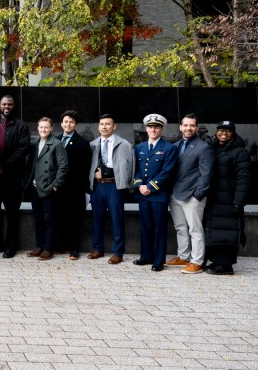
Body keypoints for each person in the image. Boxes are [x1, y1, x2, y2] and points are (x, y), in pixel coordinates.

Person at [0, 95, 30, 258]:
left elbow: (22, 149)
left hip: (12, 176)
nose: (7, 106)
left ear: (13, 106)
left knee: (12, 213)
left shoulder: (21, 126)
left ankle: (11, 247)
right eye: (4, 104)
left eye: (10, 104)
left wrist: (3, 165)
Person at [165, 114, 213, 273]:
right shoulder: (176, 145)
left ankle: (197, 261)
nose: (188, 128)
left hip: (193, 195)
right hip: (175, 194)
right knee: (180, 227)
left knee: (195, 229)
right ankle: (183, 256)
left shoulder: (203, 147)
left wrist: (198, 195)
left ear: (197, 128)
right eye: (185, 125)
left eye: (192, 125)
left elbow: (206, 175)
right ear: (180, 127)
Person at [203, 121, 251, 275]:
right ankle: (217, 262)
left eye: (228, 131)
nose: (224, 133)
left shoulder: (240, 152)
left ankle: (226, 265)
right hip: (214, 198)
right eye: (221, 130)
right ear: (216, 132)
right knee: (215, 230)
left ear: (233, 133)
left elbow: (244, 179)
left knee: (228, 231)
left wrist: (239, 201)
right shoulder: (213, 148)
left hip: (229, 199)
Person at [131, 114, 178, 272]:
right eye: (150, 127)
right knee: (145, 226)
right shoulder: (139, 147)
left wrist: (150, 187)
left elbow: (167, 171)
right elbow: (135, 170)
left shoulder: (169, 148)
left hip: (158, 195)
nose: (153, 129)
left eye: (156, 127)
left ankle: (158, 261)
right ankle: (146, 256)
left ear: (162, 128)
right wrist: (139, 185)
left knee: (159, 228)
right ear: (146, 129)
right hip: (142, 194)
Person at [87, 114, 134, 264]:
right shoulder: (92, 144)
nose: (104, 127)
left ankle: (117, 252)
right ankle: (97, 248)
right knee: (97, 218)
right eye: (102, 124)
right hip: (97, 186)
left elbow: (130, 167)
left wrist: (129, 185)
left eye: (108, 124)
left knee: (117, 219)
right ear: (98, 126)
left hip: (114, 185)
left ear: (114, 126)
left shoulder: (124, 144)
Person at [24, 117, 68, 261]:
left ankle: (48, 249)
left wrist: (55, 185)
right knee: (38, 218)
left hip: (48, 188)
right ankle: (39, 246)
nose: (43, 129)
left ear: (51, 129)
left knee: (49, 219)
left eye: (46, 127)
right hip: (35, 188)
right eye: (41, 127)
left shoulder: (56, 144)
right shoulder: (34, 143)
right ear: (38, 128)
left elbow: (63, 166)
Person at [54, 110, 92, 260]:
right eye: (65, 122)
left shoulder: (82, 143)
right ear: (61, 123)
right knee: (60, 217)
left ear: (75, 124)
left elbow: (85, 167)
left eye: (71, 122)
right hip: (58, 187)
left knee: (75, 219)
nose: (68, 124)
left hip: (74, 188)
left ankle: (74, 248)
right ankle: (62, 245)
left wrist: (83, 188)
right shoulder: (56, 140)